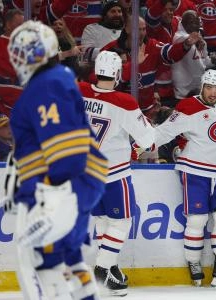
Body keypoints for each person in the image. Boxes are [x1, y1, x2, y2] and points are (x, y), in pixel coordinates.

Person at [7, 20, 108, 299]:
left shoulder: (47, 85)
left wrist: (52, 194)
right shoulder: (53, 81)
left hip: (65, 184)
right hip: (73, 182)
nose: (19, 58)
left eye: (25, 51)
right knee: (69, 257)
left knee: (46, 263)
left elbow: (67, 152)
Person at [153, 69, 216, 287]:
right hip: (195, 171)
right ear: (202, 86)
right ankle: (194, 263)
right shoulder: (187, 107)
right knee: (197, 220)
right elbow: (164, 132)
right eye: (210, 87)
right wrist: (140, 144)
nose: (214, 93)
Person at [79, 50, 155, 296]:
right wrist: (137, 147)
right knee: (123, 222)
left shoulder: (78, 91)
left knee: (102, 221)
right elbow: (148, 138)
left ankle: (111, 273)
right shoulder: (124, 102)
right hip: (113, 173)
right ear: (118, 73)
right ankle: (101, 270)